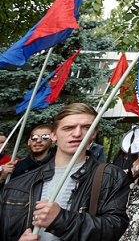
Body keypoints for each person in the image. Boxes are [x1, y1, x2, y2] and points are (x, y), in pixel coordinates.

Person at [0, 103, 131, 241]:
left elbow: (114, 229)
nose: (77, 133)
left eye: (86, 127)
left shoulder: (109, 176)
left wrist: (61, 219)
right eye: (68, 128)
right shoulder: (18, 184)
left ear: (93, 133)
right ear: (53, 135)